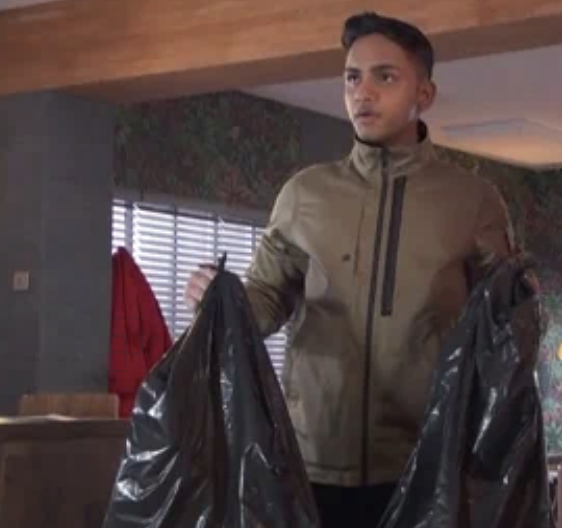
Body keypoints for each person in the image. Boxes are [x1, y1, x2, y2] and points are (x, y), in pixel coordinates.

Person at [184, 12, 517, 528]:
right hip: (311, 459)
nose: (363, 93)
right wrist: (221, 299)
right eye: (352, 78)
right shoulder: (304, 194)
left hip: (426, 461)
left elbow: (505, 329)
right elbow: (266, 301)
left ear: (423, 94)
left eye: (385, 77)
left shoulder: (472, 201)